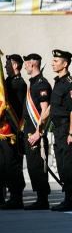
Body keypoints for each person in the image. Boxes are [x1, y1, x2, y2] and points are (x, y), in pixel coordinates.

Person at [44, 50, 72, 212]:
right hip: (57, 128)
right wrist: (41, 123)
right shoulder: (58, 82)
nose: (52, 63)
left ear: (65, 64)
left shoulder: (71, 84)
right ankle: (67, 197)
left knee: (69, 164)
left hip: (66, 127)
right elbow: (52, 107)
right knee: (61, 164)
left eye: (56, 61)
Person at [20, 54, 52, 210]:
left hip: (36, 129)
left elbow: (45, 112)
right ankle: (40, 197)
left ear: (32, 64)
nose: (24, 66)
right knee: (32, 166)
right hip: (29, 129)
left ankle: (42, 199)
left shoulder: (41, 84)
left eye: (26, 63)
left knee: (38, 165)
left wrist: (38, 132)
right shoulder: (33, 83)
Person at [0, 54, 26, 210]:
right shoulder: (8, 83)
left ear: (15, 66)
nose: (5, 67)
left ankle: (16, 197)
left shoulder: (18, 84)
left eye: (8, 64)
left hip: (12, 130)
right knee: (3, 165)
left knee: (13, 165)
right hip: (4, 130)